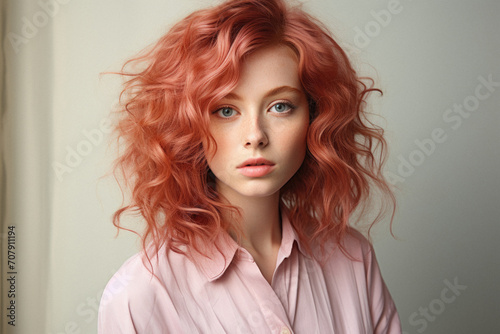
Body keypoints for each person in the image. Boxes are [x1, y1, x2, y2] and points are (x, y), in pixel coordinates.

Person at [98, 0, 401, 333]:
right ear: (187, 126)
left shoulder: (353, 260)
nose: (255, 136)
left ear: (314, 118)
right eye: (226, 110)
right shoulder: (140, 297)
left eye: (281, 106)